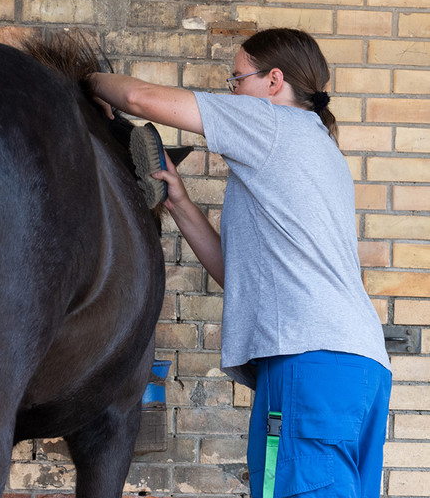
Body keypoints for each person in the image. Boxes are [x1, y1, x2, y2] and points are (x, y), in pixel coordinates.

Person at [88, 28, 391, 498]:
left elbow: (136, 97)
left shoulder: (272, 122)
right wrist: (181, 203)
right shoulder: (321, 150)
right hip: (357, 369)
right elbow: (242, 279)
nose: (232, 91)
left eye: (236, 79)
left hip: (307, 361)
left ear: (274, 80)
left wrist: (85, 81)